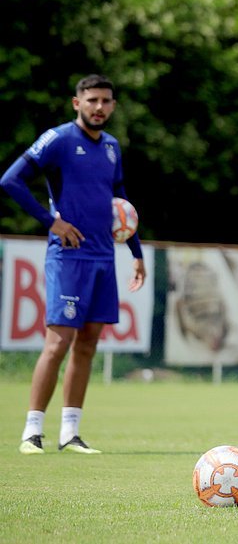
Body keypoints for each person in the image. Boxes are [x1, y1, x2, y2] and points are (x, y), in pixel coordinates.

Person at [1, 74, 146, 455]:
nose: (99, 107)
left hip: (102, 256)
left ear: (113, 106)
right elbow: (10, 180)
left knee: (88, 344)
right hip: (69, 256)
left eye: (106, 101)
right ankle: (32, 432)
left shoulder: (112, 146)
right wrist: (53, 222)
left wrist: (136, 252)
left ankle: (70, 433)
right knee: (58, 343)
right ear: (76, 103)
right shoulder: (59, 139)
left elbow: (121, 203)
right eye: (92, 100)